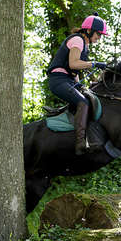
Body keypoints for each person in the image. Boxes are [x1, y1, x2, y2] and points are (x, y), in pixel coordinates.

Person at [47, 12, 108, 155]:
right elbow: (73, 64)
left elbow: (73, 73)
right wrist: (94, 64)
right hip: (58, 80)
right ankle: (81, 142)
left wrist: (80, 85)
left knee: (87, 97)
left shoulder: (84, 45)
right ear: (89, 30)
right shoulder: (78, 40)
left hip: (66, 79)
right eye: (98, 34)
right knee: (84, 102)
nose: (99, 37)